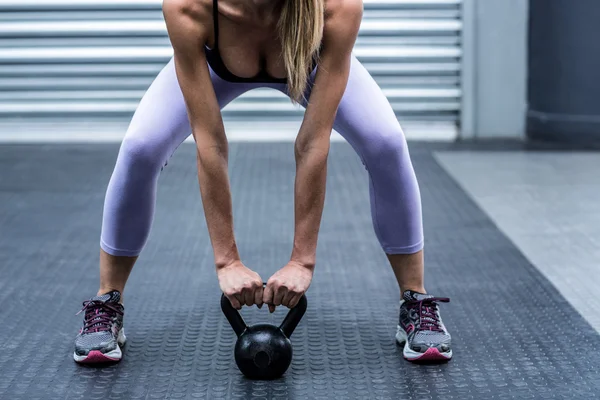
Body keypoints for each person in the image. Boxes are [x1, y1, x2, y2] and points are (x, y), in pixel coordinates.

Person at [73, 0, 452, 364]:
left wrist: (302, 261)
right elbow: (211, 142)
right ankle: (108, 300)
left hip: (309, 61)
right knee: (140, 148)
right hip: (213, 67)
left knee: (386, 144)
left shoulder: (336, 8)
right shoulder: (188, 7)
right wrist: (227, 261)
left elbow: (311, 143)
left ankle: (414, 300)